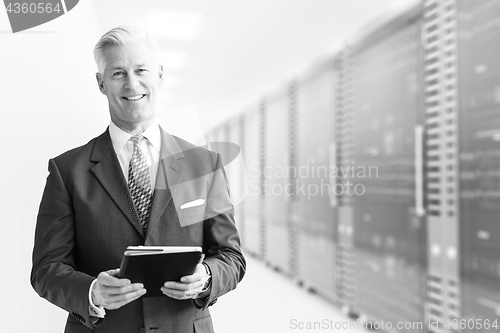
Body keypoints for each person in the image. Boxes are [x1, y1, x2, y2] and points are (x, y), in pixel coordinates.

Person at [31, 25, 245, 333]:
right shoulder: (67, 171)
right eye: (118, 73)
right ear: (101, 83)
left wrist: (207, 277)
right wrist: (92, 292)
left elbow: (231, 256)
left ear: (159, 75)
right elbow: (46, 270)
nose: (132, 84)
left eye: (140, 69)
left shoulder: (204, 164)